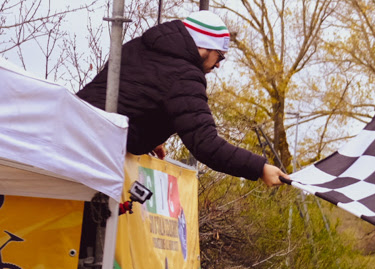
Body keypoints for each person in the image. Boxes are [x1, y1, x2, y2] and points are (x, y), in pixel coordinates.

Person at [77, 10, 287, 186]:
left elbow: (126, 99)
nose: (218, 64)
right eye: (219, 56)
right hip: (95, 157)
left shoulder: (137, 47)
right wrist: (259, 168)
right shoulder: (185, 74)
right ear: (203, 47)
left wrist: (145, 134)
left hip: (71, 131)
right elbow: (205, 144)